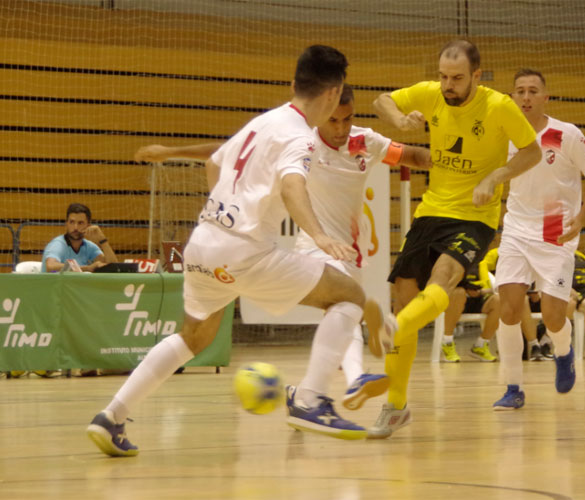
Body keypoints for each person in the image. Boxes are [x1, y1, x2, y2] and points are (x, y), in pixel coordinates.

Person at [87, 45, 390, 457]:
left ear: (293, 85)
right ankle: (311, 400)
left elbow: (215, 163)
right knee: (350, 296)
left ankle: (111, 416)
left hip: (204, 242)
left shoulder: (260, 123)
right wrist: (318, 234)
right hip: (244, 251)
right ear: (335, 93)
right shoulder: (300, 137)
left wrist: (229, 209)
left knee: (193, 337)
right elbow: (292, 186)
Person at [130, 84, 432, 406]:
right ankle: (354, 376)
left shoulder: (364, 141)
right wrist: (170, 152)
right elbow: (227, 151)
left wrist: (447, 161)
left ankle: (303, 394)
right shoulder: (302, 140)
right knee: (349, 303)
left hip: (349, 246)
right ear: (322, 114)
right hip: (315, 243)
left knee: (347, 310)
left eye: (348, 119)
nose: (341, 128)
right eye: (335, 120)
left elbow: (410, 156)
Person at [369, 41, 542, 434]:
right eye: (444, 76)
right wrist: (398, 119)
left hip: (476, 216)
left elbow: (531, 151)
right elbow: (381, 101)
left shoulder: (498, 106)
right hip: (431, 210)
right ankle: (395, 406)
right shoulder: (431, 94)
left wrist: (496, 177)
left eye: (458, 78)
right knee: (406, 298)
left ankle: (395, 327)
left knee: (443, 279)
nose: (448, 85)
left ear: (476, 76)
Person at [492, 68, 585, 410]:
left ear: (545, 97)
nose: (525, 97)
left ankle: (564, 351)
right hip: (515, 229)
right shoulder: (505, 135)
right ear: (512, 97)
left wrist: (580, 219)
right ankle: (513, 387)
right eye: (520, 91)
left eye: (532, 91)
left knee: (554, 316)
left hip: (556, 229)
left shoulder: (566, 134)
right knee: (508, 309)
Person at [440, 254, 500, 363]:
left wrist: (479, 292)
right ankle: (447, 342)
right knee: (458, 292)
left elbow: (491, 287)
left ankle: (481, 345)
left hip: (478, 299)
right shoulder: (452, 261)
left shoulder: (481, 264)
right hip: (455, 300)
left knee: (499, 300)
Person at [42, 203, 118, 272]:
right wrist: (86, 268)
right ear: (66, 224)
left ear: (88, 225)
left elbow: (113, 267)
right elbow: (50, 266)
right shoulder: (58, 244)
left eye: (80, 223)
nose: (75, 227)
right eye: (72, 222)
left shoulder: (89, 247)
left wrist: (102, 240)